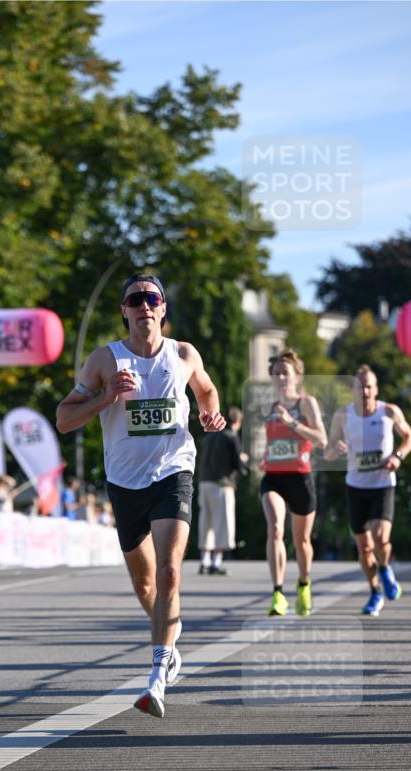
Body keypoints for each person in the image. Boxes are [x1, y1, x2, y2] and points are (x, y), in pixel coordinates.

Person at [56, 272, 225, 719]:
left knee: (170, 572)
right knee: (146, 584)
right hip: (125, 483)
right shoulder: (104, 360)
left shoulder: (184, 354)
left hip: (173, 472)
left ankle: (156, 677)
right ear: (125, 311)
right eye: (136, 299)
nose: (144, 305)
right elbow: (64, 419)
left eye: (153, 298)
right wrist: (107, 397)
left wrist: (211, 416)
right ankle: (170, 636)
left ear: (163, 309)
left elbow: (206, 392)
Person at [324, 364, 411, 616]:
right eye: (360, 386)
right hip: (355, 486)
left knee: (380, 537)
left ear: (376, 389)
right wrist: (336, 450)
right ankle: (375, 592)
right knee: (364, 548)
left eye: (369, 386)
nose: (364, 391)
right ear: (353, 389)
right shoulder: (343, 415)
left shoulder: (389, 412)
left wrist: (398, 456)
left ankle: (385, 567)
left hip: (383, 484)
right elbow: (329, 451)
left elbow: (410, 438)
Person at [260, 350, 327, 616]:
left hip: (300, 477)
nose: (280, 378)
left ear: (297, 376)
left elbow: (321, 439)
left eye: (285, 373)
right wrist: (265, 457)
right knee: (275, 529)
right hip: (274, 477)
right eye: (276, 374)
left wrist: (291, 422)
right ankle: (278, 594)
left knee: (302, 542)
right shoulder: (270, 408)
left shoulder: (306, 403)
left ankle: (303, 584)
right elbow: (274, 444)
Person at [198, 405, 247, 576]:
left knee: (206, 522)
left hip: (204, 482)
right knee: (222, 524)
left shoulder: (210, 436)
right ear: (237, 421)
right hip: (222, 484)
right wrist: (244, 462)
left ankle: (204, 560)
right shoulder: (231, 437)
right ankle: (216, 562)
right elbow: (239, 465)